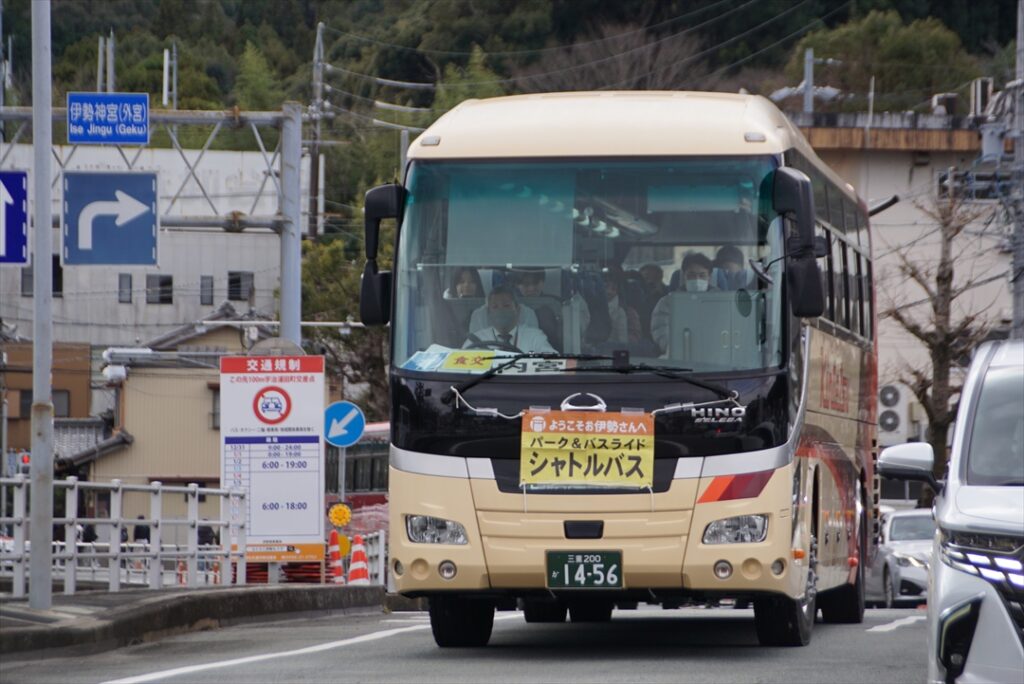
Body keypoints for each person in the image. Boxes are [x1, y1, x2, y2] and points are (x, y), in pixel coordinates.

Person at [650, 252, 717, 353]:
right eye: (691, 275)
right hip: (679, 355)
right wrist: (676, 350)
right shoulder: (667, 302)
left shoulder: (722, 302)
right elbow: (661, 330)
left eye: (702, 275)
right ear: (683, 276)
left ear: (709, 277)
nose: (697, 280)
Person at [464, 286, 556, 353]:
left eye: (506, 305)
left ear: (517, 309)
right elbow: (460, 366)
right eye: (495, 307)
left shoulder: (534, 337)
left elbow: (552, 361)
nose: (501, 310)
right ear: (489, 313)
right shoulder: (476, 340)